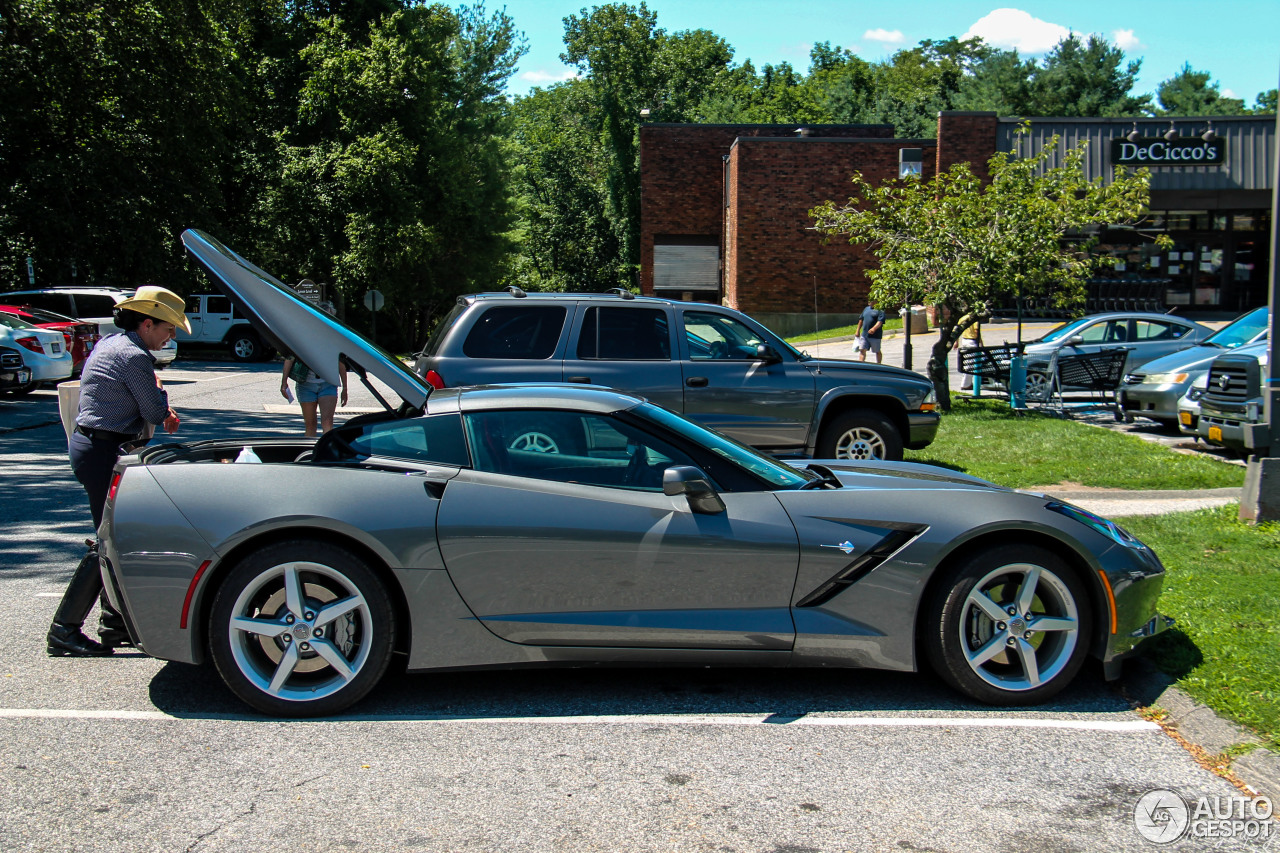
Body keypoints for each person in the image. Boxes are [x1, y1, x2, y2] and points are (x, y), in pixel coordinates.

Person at [47, 286, 187, 657]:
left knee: (115, 537)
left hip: (93, 445)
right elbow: (154, 413)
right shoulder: (134, 357)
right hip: (105, 449)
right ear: (146, 323)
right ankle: (64, 630)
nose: (170, 336)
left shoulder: (111, 343)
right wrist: (161, 395)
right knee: (106, 541)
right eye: (167, 328)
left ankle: (114, 625)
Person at [281, 354, 348, 437]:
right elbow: (289, 358)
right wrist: (284, 383)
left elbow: (340, 362)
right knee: (310, 425)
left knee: (327, 422)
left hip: (328, 384)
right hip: (305, 385)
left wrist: (344, 389)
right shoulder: (303, 342)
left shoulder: (330, 343)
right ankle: (309, 449)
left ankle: (326, 448)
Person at [856, 299, 885, 364]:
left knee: (877, 351)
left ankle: (879, 364)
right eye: (869, 300)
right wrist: (857, 330)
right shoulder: (866, 309)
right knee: (862, 350)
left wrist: (874, 329)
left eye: (871, 301)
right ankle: (861, 365)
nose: (869, 302)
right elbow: (861, 320)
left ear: (875, 302)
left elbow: (880, 322)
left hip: (875, 336)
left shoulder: (880, 310)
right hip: (864, 335)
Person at [958, 321, 983, 391]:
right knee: (972, 364)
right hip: (972, 342)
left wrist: (956, 341)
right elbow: (976, 331)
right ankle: (966, 384)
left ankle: (967, 383)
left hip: (964, 340)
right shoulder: (975, 319)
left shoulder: (963, 317)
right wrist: (981, 342)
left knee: (967, 363)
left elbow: (957, 329)